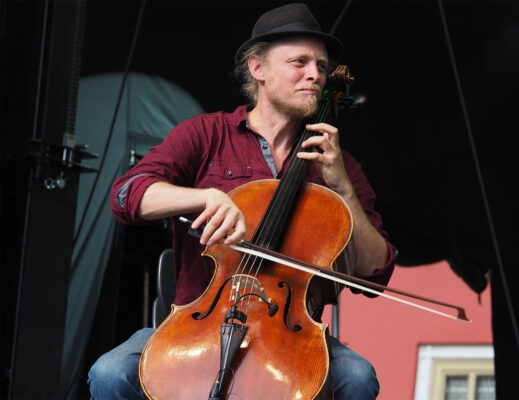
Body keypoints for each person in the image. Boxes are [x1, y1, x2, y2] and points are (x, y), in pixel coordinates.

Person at [88, 3, 396, 399]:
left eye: (320, 65)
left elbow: (375, 276)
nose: (315, 75)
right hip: (196, 325)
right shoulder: (206, 135)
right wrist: (203, 198)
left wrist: (342, 188)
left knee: (357, 377)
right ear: (258, 69)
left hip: (291, 336)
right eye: (299, 62)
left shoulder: (338, 164)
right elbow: (126, 195)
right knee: (111, 373)